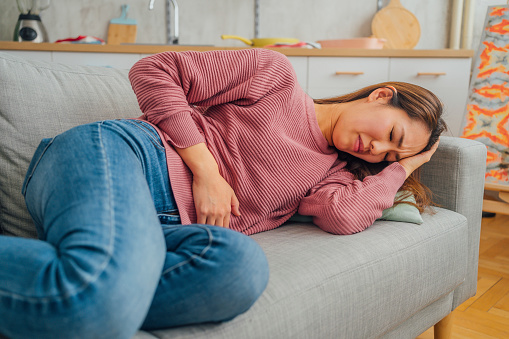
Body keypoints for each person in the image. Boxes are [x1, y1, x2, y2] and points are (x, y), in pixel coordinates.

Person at [0, 48, 444, 339]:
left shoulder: (335, 173)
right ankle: (100, 297)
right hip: (122, 156)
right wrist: (206, 169)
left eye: (389, 154)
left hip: (163, 230)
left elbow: (342, 217)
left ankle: (103, 295)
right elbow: (155, 70)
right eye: (390, 133)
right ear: (381, 96)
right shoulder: (277, 79)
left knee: (241, 270)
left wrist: (403, 167)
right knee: (100, 300)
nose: (379, 149)